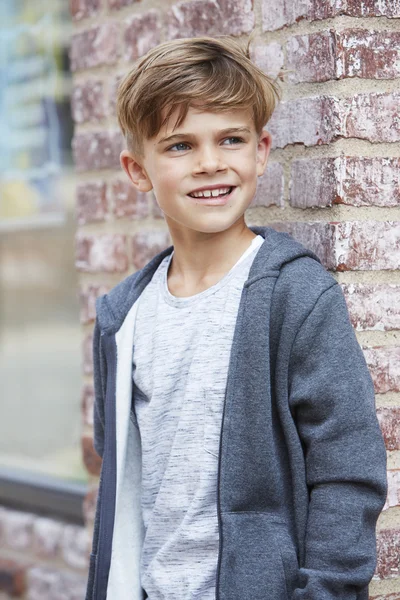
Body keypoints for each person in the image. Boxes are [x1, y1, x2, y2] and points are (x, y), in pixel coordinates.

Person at [85, 35, 387, 600]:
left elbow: (348, 474)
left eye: (231, 139)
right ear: (137, 168)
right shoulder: (121, 318)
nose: (210, 163)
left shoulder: (296, 296)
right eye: (179, 145)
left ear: (261, 151)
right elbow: (120, 472)